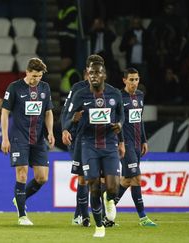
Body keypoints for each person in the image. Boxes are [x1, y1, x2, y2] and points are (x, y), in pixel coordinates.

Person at [62, 61, 124, 237]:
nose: (94, 76)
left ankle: (110, 199)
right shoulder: (80, 95)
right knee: (94, 186)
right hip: (88, 144)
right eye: (91, 73)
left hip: (109, 144)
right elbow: (67, 116)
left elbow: (121, 116)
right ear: (87, 74)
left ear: (104, 75)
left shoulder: (115, 94)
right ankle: (99, 226)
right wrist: (71, 122)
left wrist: (120, 129)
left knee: (113, 187)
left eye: (97, 73)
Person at [1, 58, 54, 226]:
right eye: (34, 75)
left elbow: (48, 112)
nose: (36, 79)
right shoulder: (15, 87)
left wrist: (50, 132)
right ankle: (22, 215)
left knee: (42, 177)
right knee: (22, 173)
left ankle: (20, 199)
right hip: (19, 137)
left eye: (39, 76)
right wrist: (5, 137)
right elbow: (4, 113)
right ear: (27, 72)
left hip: (38, 139)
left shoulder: (45, 88)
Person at [61, 54, 104, 227]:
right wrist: (66, 127)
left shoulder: (107, 89)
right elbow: (67, 112)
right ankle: (80, 214)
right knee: (83, 176)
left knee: (100, 178)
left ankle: (101, 215)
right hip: (81, 137)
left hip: (102, 139)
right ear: (86, 71)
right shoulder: (78, 89)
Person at [113, 68, 157, 227]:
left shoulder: (139, 95)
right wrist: (120, 142)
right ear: (124, 80)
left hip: (138, 143)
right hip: (126, 143)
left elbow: (139, 119)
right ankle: (143, 217)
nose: (134, 83)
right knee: (136, 178)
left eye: (136, 79)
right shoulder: (118, 97)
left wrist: (144, 140)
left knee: (126, 181)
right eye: (131, 80)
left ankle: (108, 209)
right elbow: (116, 124)